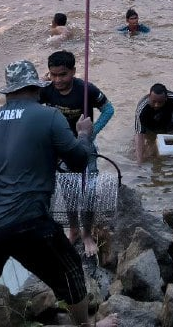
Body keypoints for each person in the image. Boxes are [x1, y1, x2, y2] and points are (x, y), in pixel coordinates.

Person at [0, 60, 119, 327]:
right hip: (27, 221)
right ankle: (86, 325)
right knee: (71, 273)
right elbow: (79, 161)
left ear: (7, 92)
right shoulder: (49, 117)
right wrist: (83, 134)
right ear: (36, 88)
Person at [39, 51, 115, 256]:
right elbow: (30, 108)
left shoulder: (86, 90)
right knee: (69, 190)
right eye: (53, 75)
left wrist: (92, 132)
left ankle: (87, 233)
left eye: (62, 75)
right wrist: (38, 83)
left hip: (85, 146)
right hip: (60, 149)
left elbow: (108, 110)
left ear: (73, 71)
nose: (57, 80)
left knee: (88, 191)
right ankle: (73, 229)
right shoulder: (46, 90)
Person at [134, 83, 173, 163]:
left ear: (166, 99)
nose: (156, 105)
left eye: (160, 102)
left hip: (168, 122)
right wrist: (139, 160)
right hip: (149, 123)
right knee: (145, 150)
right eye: (154, 102)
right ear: (149, 97)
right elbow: (139, 134)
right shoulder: (142, 109)